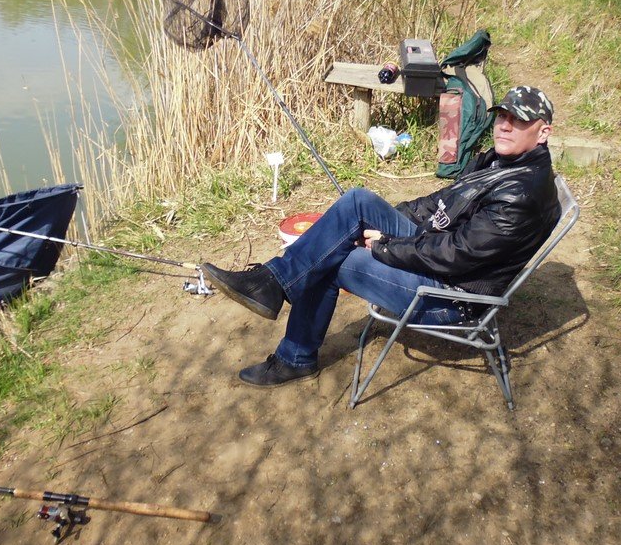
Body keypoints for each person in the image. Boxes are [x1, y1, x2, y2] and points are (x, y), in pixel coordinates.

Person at [201, 85, 561, 387]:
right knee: (358, 203)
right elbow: (438, 203)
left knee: (332, 257)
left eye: (519, 121)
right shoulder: (501, 162)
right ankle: (272, 282)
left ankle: (294, 355)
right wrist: (389, 221)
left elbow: (455, 254)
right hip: (436, 251)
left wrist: (386, 246)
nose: (505, 126)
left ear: (543, 132)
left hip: (450, 294)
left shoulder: (520, 195)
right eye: (502, 116)